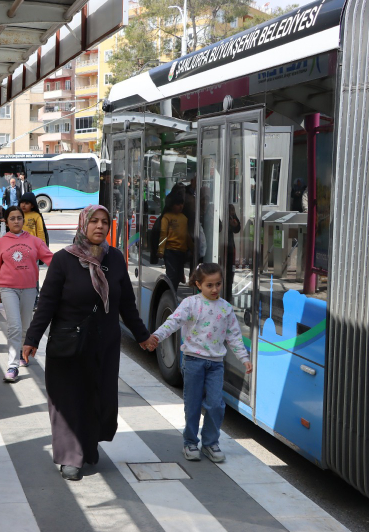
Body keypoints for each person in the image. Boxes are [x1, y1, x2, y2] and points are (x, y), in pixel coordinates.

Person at [23, 206, 155, 480]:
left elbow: (126, 304)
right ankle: (70, 456)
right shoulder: (63, 260)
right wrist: (32, 339)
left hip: (104, 344)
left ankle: (88, 445)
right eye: (93, 221)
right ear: (83, 224)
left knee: (100, 400)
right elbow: (46, 303)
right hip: (69, 343)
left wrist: (142, 335)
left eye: (104, 222)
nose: (99, 226)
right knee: (69, 399)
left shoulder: (115, 259)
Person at [146, 263, 252, 463]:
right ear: (198, 284)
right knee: (192, 404)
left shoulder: (226, 309)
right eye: (209, 285)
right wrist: (156, 337)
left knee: (216, 405)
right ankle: (190, 442)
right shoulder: (190, 304)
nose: (214, 289)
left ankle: (211, 443)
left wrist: (244, 359)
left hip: (216, 365)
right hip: (193, 361)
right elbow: (172, 322)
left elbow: (235, 337)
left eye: (218, 284)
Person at [0, 206, 53, 382]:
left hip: (29, 289)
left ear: (23, 220)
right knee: (14, 326)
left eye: (19, 218)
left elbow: (51, 259)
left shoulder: (34, 241)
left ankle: (21, 352)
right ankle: (12, 366)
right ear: (6, 221)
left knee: (26, 326)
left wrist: (70, 266)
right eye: (12, 218)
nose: (16, 221)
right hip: (7, 288)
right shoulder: (1, 243)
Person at [158, 190, 192, 291]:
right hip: (170, 250)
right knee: (172, 275)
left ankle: (173, 293)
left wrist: (192, 247)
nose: (180, 206)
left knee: (176, 276)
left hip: (182, 251)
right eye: (177, 204)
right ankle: (170, 294)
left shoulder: (184, 218)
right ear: (171, 205)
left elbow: (187, 235)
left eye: (181, 204)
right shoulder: (167, 217)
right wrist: (161, 250)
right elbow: (163, 234)